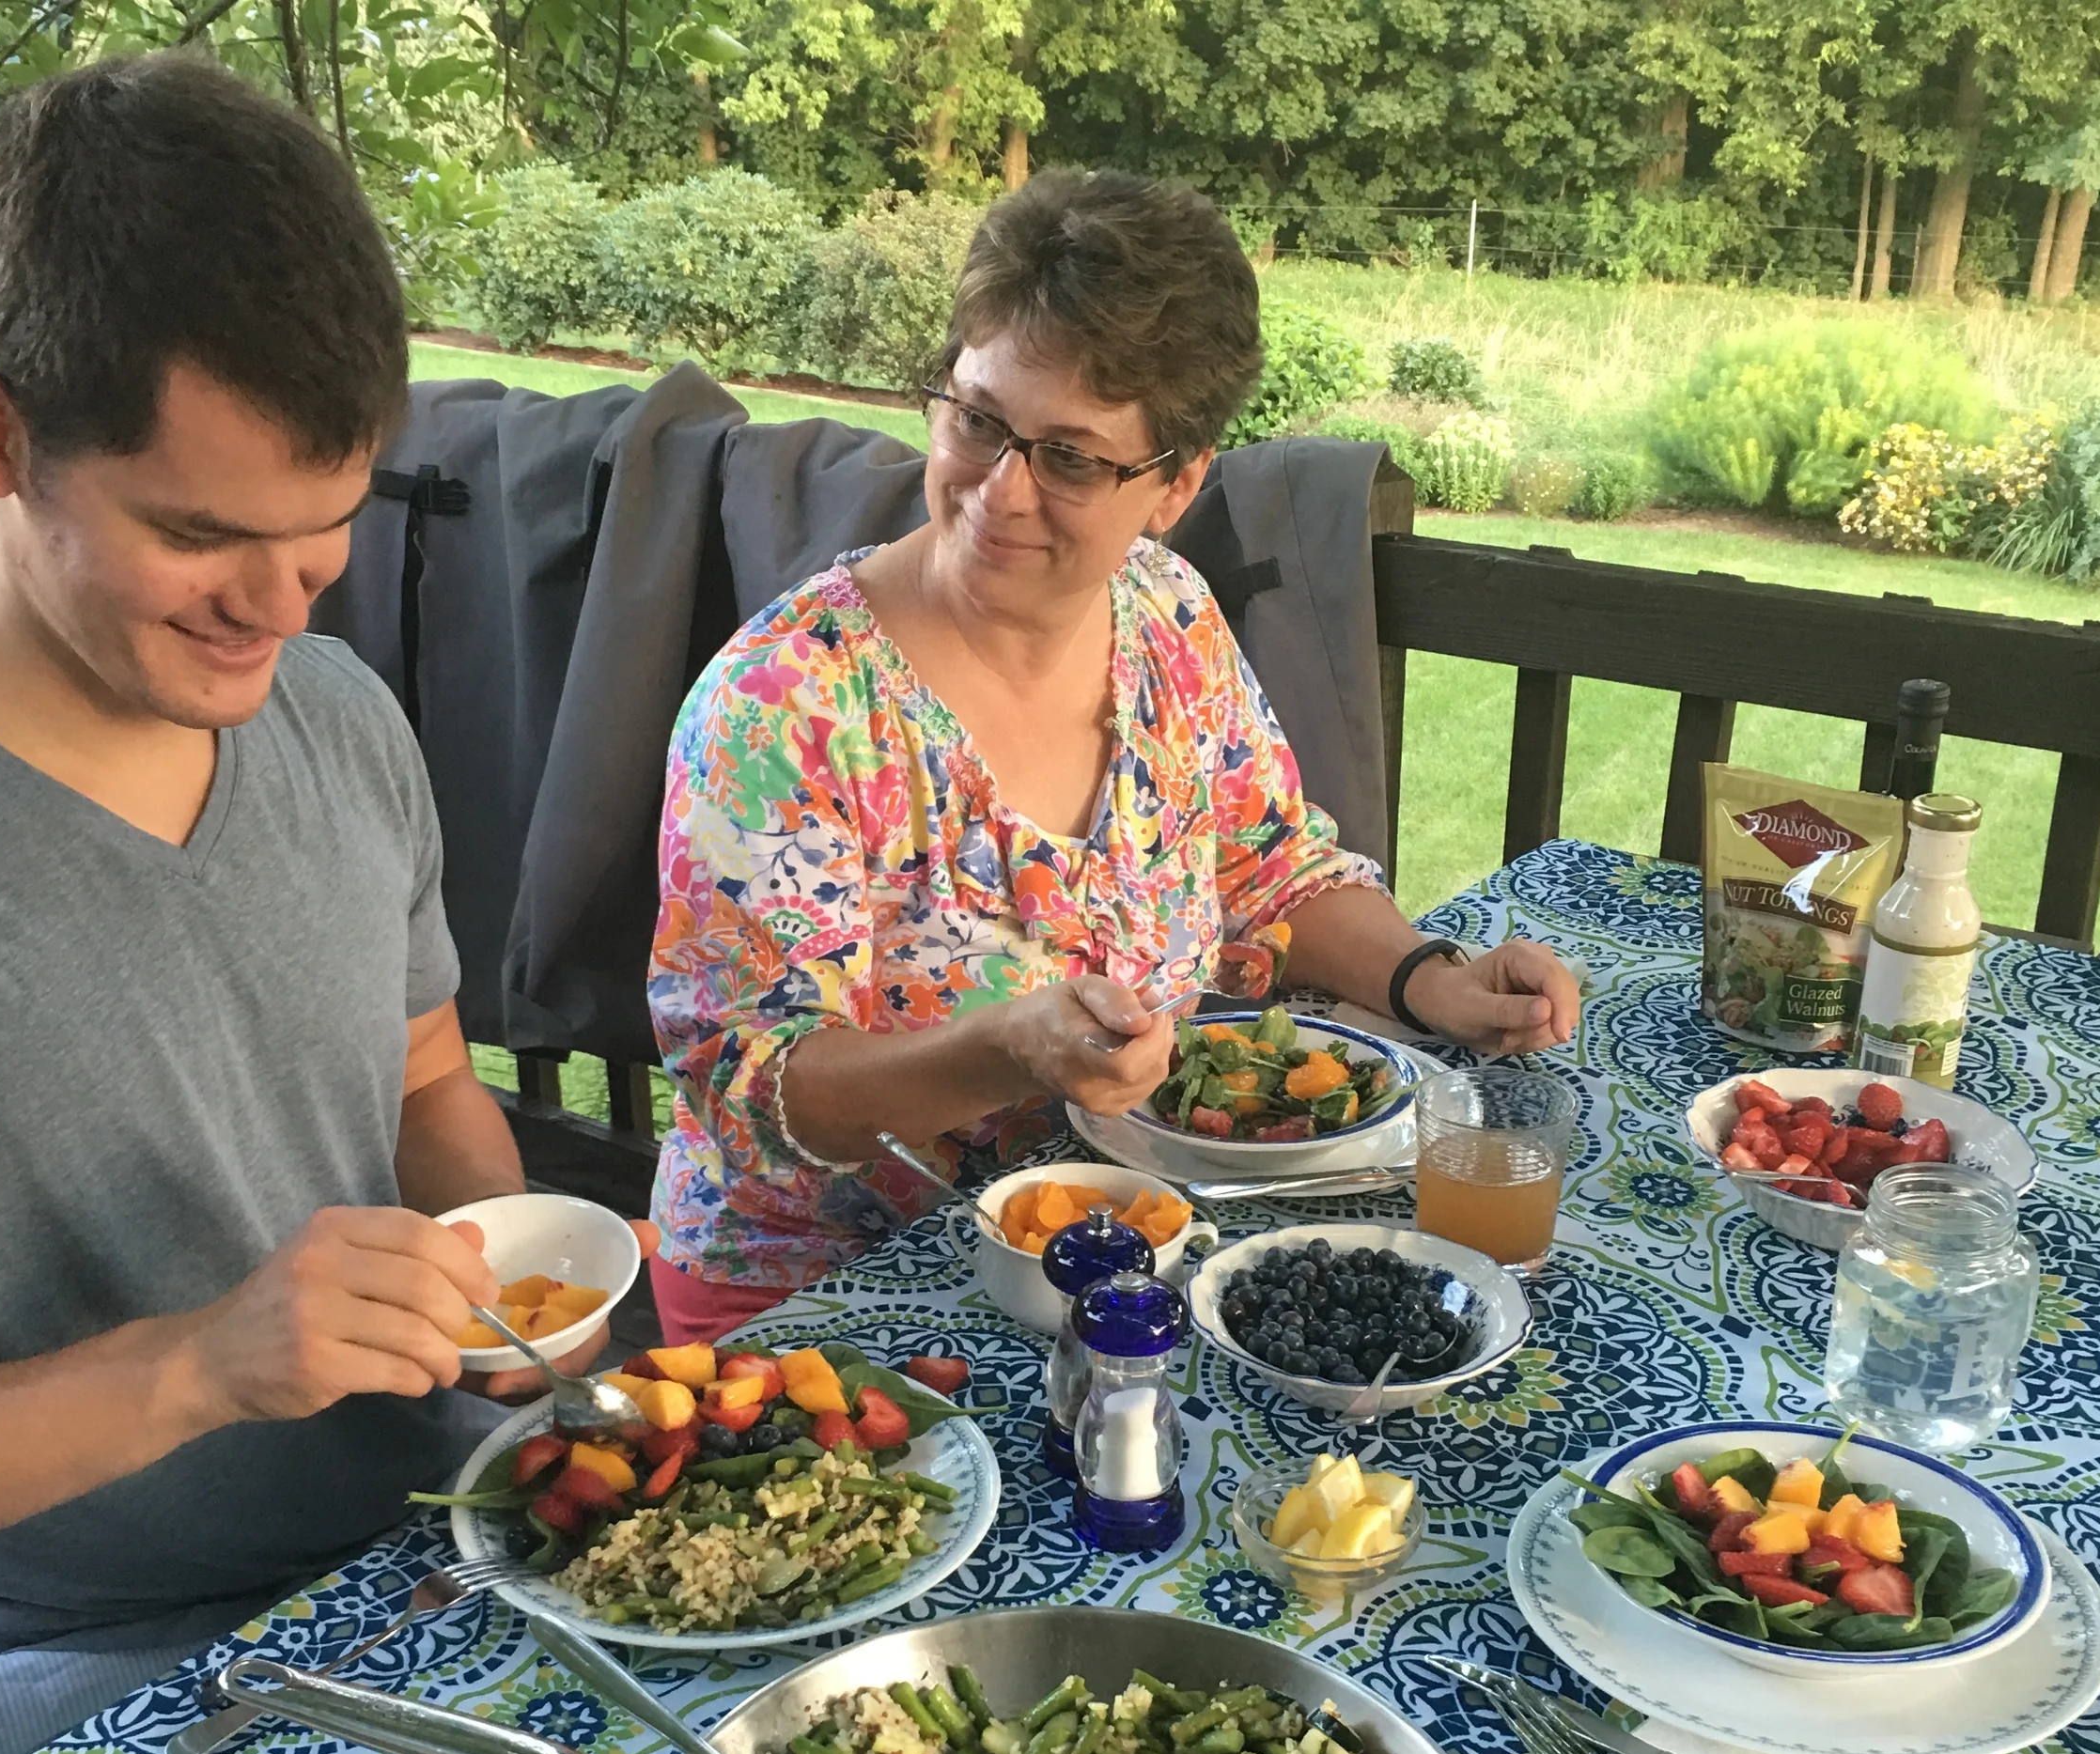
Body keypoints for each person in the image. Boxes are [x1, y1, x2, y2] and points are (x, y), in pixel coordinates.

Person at [0, 55, 635, 1754]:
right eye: (201, 535)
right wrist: (205, 1361)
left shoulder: (341, 716)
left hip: (444, 1562)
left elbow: (430, 1096)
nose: (282, 607)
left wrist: (515, 1291)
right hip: (78, 1670)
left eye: (324, 528)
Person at [648, 169, 1580, 1343]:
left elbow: (1264, 868)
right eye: (979, 418)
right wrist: (1003, 1051)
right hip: (830, 1302)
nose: (1001, 490)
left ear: (1176, 484)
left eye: (1072, 458)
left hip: (1122, 1254)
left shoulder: (1166, 615)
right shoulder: (789, 702)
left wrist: (1432, 978)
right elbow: (756, 1087)